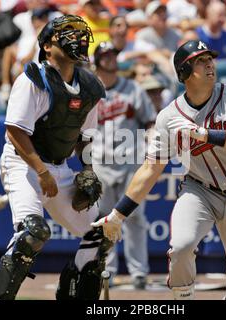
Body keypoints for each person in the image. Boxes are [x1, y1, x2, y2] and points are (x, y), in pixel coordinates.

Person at [92, 39, 226, 300]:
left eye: (210, 58)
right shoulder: (169, 116)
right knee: (181, 246)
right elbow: (152, 167)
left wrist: (204, 134)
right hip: (200, 190)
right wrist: (119, 214)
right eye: (200, 60)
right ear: (184, 72)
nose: (209, 63)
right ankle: (182, 300)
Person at [0, 14, 112, 301]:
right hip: (23, 163)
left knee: (102, 234)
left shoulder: (89, 87)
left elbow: (86, 137)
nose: (76, 38)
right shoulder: (32, 78)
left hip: (59, 166)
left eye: (79, 32)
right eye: (66, 32)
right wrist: (42, 173)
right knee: (33, 232)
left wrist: (87, 171)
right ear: (47, 45)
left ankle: (72, 293)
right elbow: (16, 132)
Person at [92, 41, 157, 289]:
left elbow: (150, 121)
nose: (111, 59)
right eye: (106, 55)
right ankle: (106, 270)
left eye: (114, 54)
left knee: (134, 216)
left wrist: (151, 147)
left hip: (130, 160)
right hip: (100, 161)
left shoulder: (133, 88)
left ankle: (139, 272)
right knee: (103, 218)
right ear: (97, 60)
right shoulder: (90, 90)